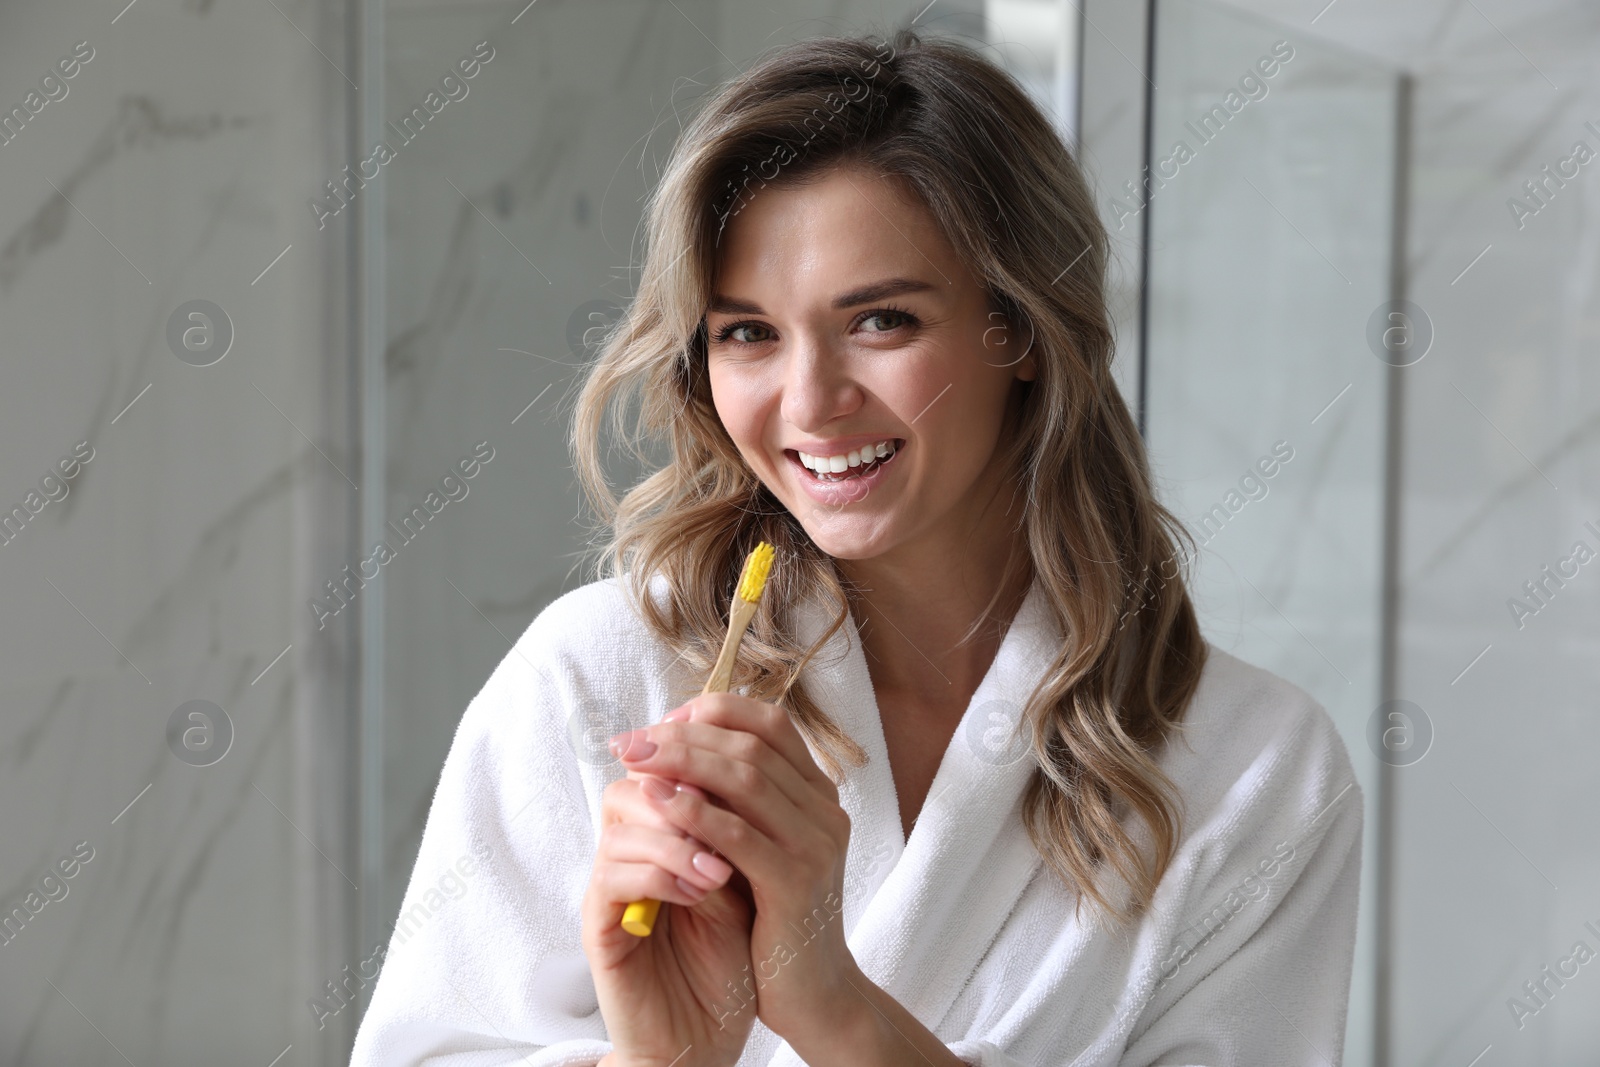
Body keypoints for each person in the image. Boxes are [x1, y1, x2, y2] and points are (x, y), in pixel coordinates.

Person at [350, 28, 1362, 1067]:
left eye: (880, 320)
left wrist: (837, 1012)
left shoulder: (1251, 766)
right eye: (746, 331)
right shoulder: (603, 679)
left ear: (1016, 327)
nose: (810, 403)